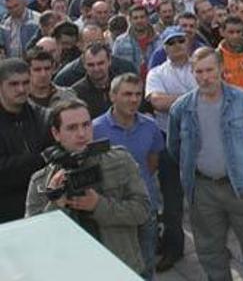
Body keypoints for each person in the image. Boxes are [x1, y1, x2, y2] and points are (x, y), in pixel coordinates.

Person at [166, 47, 243, 281]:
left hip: (240, 187)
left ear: (221, 70)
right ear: (193, 73)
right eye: (199, 71)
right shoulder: (181, 108)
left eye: (210, 70)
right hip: (203, 190)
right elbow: (175, 148)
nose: (205, 77)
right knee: (210, 251)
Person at [26, 99, 151, 274]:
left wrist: (98, 205)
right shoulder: (41, 182)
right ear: (56, 133)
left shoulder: (120, 161)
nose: (82, 133)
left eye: (86, 125)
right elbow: (35, 240)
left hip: (120, 266)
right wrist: (55, 202)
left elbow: (142, 211)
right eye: (72, 128)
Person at [93, 74, 165, 279]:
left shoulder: (150, 126)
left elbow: (152, 162)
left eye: (137, 94)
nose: (133, 100)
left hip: (145, 207)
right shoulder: (95, 129)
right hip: (113, 210)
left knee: (146, 263)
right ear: (112, 96)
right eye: (127, 94)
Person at [144, 26, 196, 272]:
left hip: (201, 139)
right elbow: (157, 102)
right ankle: (174, 249)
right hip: (169, 141)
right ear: (164, 47)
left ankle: (215, 244)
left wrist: (174, 99)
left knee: (206, 198)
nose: (176, 46)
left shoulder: (200, 67)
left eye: (180, 41)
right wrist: (193, 98)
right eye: (171, 42)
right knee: (172, 201)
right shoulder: (156, 72)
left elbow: (212, 93)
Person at [0, 58, 51, 223]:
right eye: (13, 84)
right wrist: (39, 159)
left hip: (42, 207)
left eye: (25, 83)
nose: (21, 89)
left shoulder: (43, 117)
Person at [71, 42, 114, 117]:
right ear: (84, 65)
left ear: (109, 61)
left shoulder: (123, 86)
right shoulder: (76, 93)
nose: (96, 69)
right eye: (91, 65)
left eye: (100, 63)